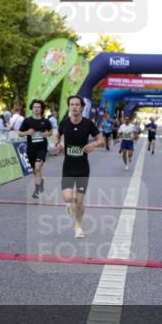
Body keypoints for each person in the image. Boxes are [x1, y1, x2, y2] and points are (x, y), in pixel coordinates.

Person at [55, 95, 105, 240]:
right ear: (69, 107)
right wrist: (57, 144)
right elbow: (57, 136)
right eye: (72, 104)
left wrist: (93, 144)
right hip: (68, 168)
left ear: (82, 107)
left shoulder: (88, 124)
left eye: (77, 104)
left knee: (79, 201)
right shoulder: (64, 123)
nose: (74, 107)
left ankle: (78, 227)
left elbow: (101, 140)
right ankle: (69, 204)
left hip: (83, 169)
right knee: (68, 197)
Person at [19, 99, 53, 199]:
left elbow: (51, 131)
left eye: (38, 107)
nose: (36, 109)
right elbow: (20, 133)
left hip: (41, 148)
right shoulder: (27, 121)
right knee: (35, 170)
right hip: (31, 149)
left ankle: (37, 191)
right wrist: (27, 132)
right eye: (34, 107)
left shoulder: (45, 121)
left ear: (41, 109)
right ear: (32, 109)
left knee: (38, 167)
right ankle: (40, 182)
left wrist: (48, 134)